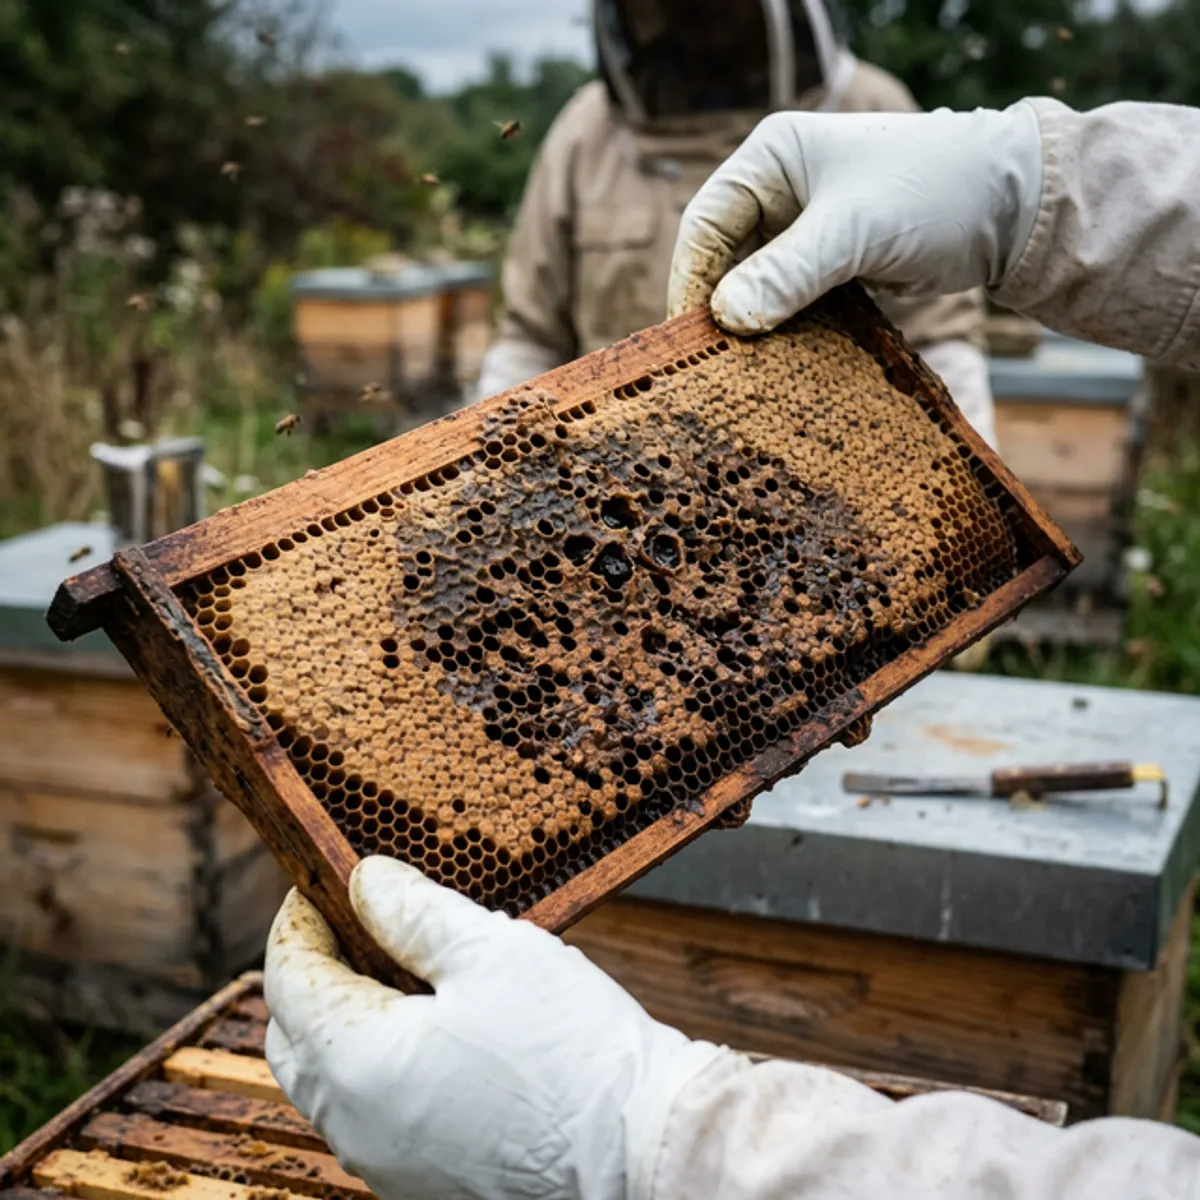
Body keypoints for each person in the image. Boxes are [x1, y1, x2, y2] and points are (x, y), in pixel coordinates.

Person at [264, 96, 1200, 1199]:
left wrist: (653, 1141)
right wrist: (1048, 186)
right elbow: (526, 321)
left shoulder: (867, 102)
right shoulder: (583, 134)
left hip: (777, 582)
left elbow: (942, 344)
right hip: (590, 531)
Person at [475, 0, 998, 446]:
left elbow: (938, 338)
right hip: (618, 488)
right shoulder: (585, 133)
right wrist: (487, 472)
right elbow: (530, 338)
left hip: (835, 482)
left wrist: (972, 484)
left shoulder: (874, 111)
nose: (706, 14)